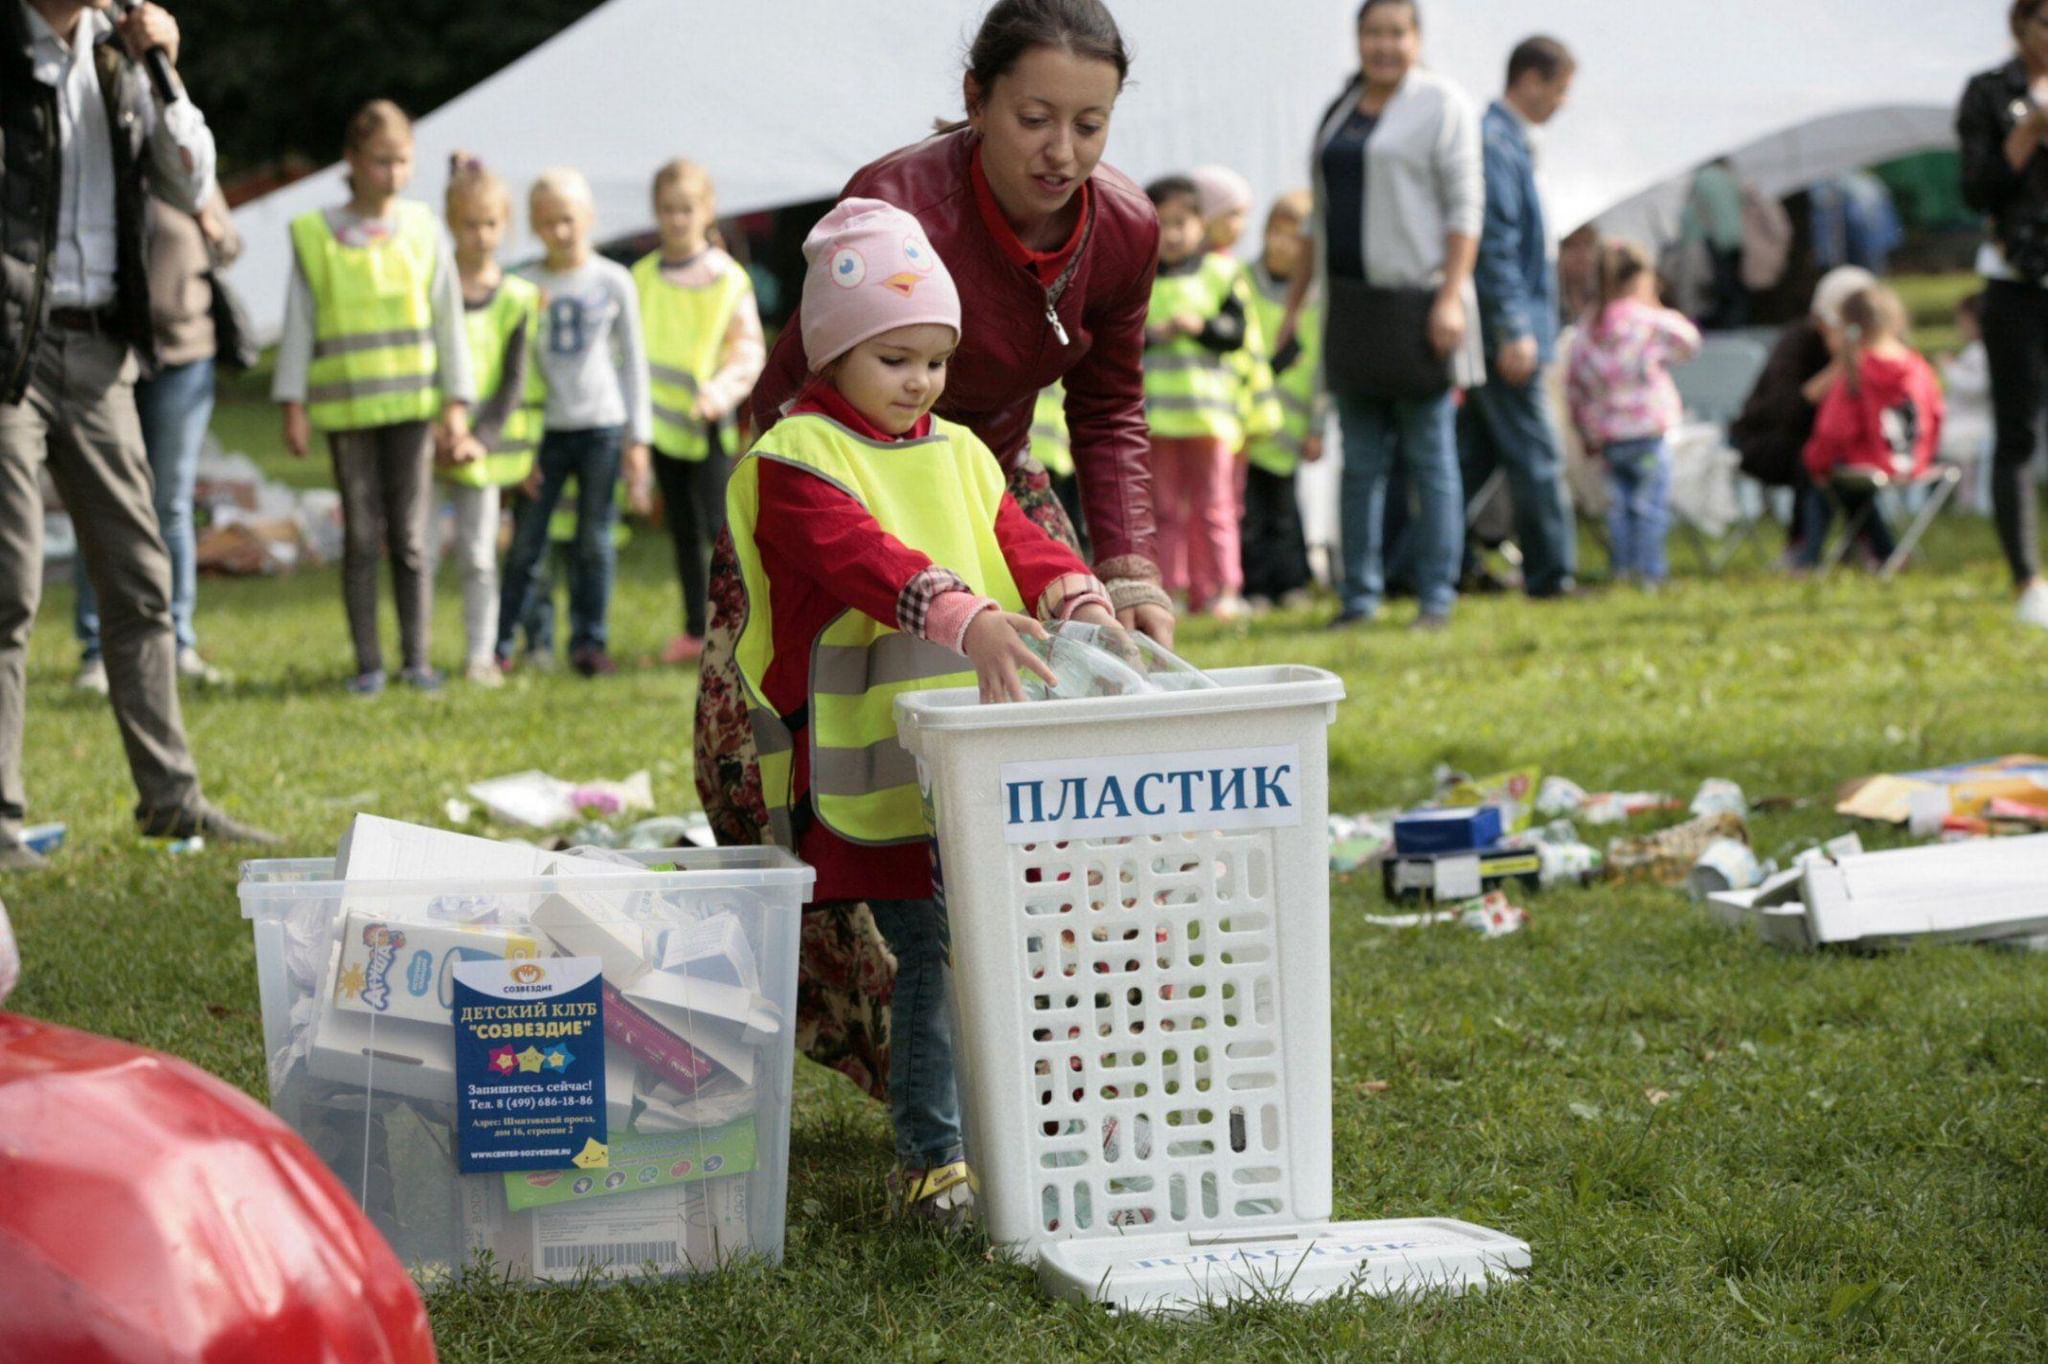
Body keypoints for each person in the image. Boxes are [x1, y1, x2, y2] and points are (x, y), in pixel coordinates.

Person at [698, 0, 1163, 1108]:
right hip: (834, 478)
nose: (1062, 152)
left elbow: (1110, 406)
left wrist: (1122, 574)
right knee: (749, 780)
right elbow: (793, 399)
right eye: (1035, 118)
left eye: (1089, 126)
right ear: (975, 103)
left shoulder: (1128, 229)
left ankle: (1044, 1041)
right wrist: (778, 566)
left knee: (1059, 736)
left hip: (985, 475)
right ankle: (888, 1034)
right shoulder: (894, 202)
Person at [721, 199, 1117, 1223]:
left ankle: (1017, 1128)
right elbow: (866, 558)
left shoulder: (960, 450)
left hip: (974, 762)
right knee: (938, 953)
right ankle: (932, 1159)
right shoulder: (793, 461)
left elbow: (1015, 536)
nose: (920, 382)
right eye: (894, 357)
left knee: (1001, 945)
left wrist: (1071, 591)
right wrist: (971, 619)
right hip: (873, 773)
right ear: (832, 349)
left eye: (935, 360)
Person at [2, 0, 277, 869]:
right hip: (8, 347)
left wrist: (169, 70)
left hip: (102, 348)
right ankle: (1, 825)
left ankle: (172, 801)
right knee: (8, 592)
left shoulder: (126, 60)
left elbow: (190, 180)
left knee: (141, 578)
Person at [1286, 0, 1483, 630]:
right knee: (1359, 460)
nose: (1385, 45)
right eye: (1373, 32)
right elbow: (1316, 217)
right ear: (1358, 39)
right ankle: (1359, 598)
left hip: (1418, 303)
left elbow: (1464, 209)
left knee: (1431, 456)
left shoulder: (1440, 105)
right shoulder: (1339, 110)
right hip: (1350, 307)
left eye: (1397, 32)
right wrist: (1294, 308)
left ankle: (1436, 597)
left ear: (1417, 38)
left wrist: (1451, 294)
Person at [274, 100, 476, 696]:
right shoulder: (317, 236)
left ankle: (416, 660)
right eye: (381, 161)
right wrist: (292, 404)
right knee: (361, 537)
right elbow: (299, 324)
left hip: (413, 408)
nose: (392, 173)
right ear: (353, 161)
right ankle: (368, 664)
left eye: (403, 161)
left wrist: (455, 402)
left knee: (412, 539)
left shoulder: (422, 228)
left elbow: (449, 319)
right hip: (348, 411)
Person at [71, 179, 238, 694]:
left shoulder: (189, 171)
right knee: (103, 499)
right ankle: (98, 648)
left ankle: (178, 641)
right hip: (109, 354)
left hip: (183, 358)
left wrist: (210, 223)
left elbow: (229, 246)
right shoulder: (96, 164)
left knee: (170, 504)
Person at [495, 167, 652, 678]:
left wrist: (638, 439)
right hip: (542, 432)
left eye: (567, 220)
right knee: (528, 541)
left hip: (602, 428)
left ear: (588, 217)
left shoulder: (614, 280)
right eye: (546, 223)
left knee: (594, 540)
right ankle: (527, 639)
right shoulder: (520, 284)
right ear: (534, 226)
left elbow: (633, 362)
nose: (559, 232)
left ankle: (589, 641)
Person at [634, 159, 763, 667]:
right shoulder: (641, 278)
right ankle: (694, 629)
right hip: (657, 427)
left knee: (718, 533)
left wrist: (719, 394)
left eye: (686, 209)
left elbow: (748, 350)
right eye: (667, 210)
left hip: (706, 426)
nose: (677, 219)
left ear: (706, 210)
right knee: (683, 534)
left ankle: (732, 629)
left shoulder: (728, 280)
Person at [1463, 34, 1578, 601]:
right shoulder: (1496, 144)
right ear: (1530, 80)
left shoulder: (1511, 141)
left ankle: (1422, 564)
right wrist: (1513, 328)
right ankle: (1552, 576)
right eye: (1560, 90)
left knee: (1468, 459)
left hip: (1515, 325)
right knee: (1539, 455)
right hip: (1513, 330)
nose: (1564, 103)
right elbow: (1497, 246)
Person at [1958, 2, 2048, 626]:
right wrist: (2024, 138)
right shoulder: (1990, 94)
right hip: (2016, 279)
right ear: (2022, 26)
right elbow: (1975, 190)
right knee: (2016, 432)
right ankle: (2028, 580)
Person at [436, 154, 540, 688]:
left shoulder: (519, 297)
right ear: (451, 223)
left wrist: (479, 437)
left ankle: (479, 655)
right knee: (422, 554)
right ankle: (418, 655)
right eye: (469, 224)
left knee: (478, 555)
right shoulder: (431, 286)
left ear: (506, 226)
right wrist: (440, 426)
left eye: (491, 224)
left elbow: (513, 381)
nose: (481, 235)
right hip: (429, 440)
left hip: (480, 451)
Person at [1142, 174, 1249, 618]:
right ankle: (1173, 591)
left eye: (1182, 222)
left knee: (1215, 508)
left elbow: (1237, 333)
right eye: (1162, 223)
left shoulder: (1221, 273)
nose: (1173, 233)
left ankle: (1224, 589)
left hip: (1209, 422)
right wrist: (1154, 334)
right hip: (1158, 422)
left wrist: (1202, 328)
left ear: (1201, 225)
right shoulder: (1140, 278)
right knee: (1163, 510)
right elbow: (1123, 336)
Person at [1565, 239, 1701, 587]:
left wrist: (1584, 431)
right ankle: (1652, 572)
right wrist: (1656, 307)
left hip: (1608, 437)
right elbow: (1690, 341)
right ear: (1643, 279)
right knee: (1650, 506)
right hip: (1647, 434)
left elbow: (1574, 385)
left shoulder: (1588, 327)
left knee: (1619, 508)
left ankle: (1622, 569)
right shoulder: (1649, 321)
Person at [1728, 265, 1878, 565]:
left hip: (1832, 442)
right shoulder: (1798, 343)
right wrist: (1839, 366)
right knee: (1814, 456)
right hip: (1768, 440)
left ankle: (1866, 545)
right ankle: (1807, 548)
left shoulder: (1869, 348)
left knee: (1839, 456)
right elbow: (1787, 411)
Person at [1798, 284, 1944, 568]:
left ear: (1849, 328)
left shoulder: (1856, 369)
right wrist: (1922, 453)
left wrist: (1817, 462)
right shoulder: (1918, 366)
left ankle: (1809, 557)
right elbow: (1936, 415)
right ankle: (1885, 551)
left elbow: (1833, 430)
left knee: (1825, 475)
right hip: (1912, 460)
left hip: (1871, 460)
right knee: (1852, 485)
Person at [1240, 190, 1321, 607]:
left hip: (1290, 430)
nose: (1284, 244)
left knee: (1286, 513)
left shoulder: (1316, 299)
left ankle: (1291, 584)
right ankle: (1253, 586)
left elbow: (1321, 367)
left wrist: (1317, 427)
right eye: (1277, 232)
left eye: (1296, 237)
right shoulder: (1241, 282)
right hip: (1246, 426)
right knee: (1246, 512)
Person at [1941, 293, 1993, 514]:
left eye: (1962, 322)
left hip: (1973, 424)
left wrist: (1949, 368)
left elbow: (1977, 386)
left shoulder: (1981, 352)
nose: (1959, 327)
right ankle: (1964, 500)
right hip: (1967, 421)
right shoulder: (1976, 351)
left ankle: (1966, 499)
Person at [1684, 158, 1749, 329]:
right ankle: (1736, 324)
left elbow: (1692, 213)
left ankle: (1726, 325)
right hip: (1737, 237)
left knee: (1721, 287)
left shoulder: (1701, 179)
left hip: (1715, 240)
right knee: (1735, 286)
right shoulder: (1729, 177)